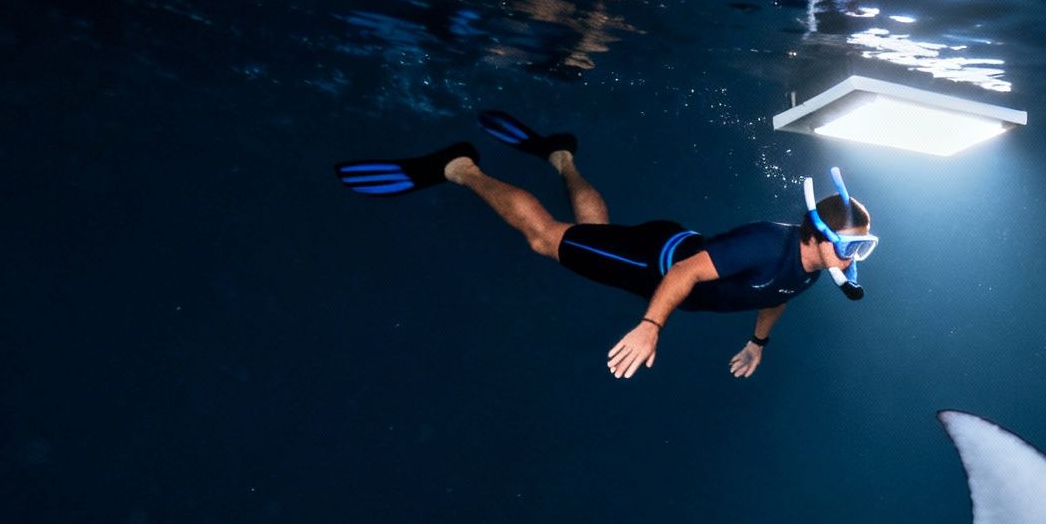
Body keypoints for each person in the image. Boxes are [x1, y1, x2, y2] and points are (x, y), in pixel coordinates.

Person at [334, 111, 878, 379]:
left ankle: (560, 157)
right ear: (818, 235)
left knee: (595, 232)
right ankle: (458, 167)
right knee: (547, 242)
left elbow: (774, 296)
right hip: (654, 263)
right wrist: (650, 326)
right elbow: (687, 274)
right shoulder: (766, 244)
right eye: (852, 247)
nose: (856, 259)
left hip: (665, 245)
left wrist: (759, 344)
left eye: (863, 248)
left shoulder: (809, 268)